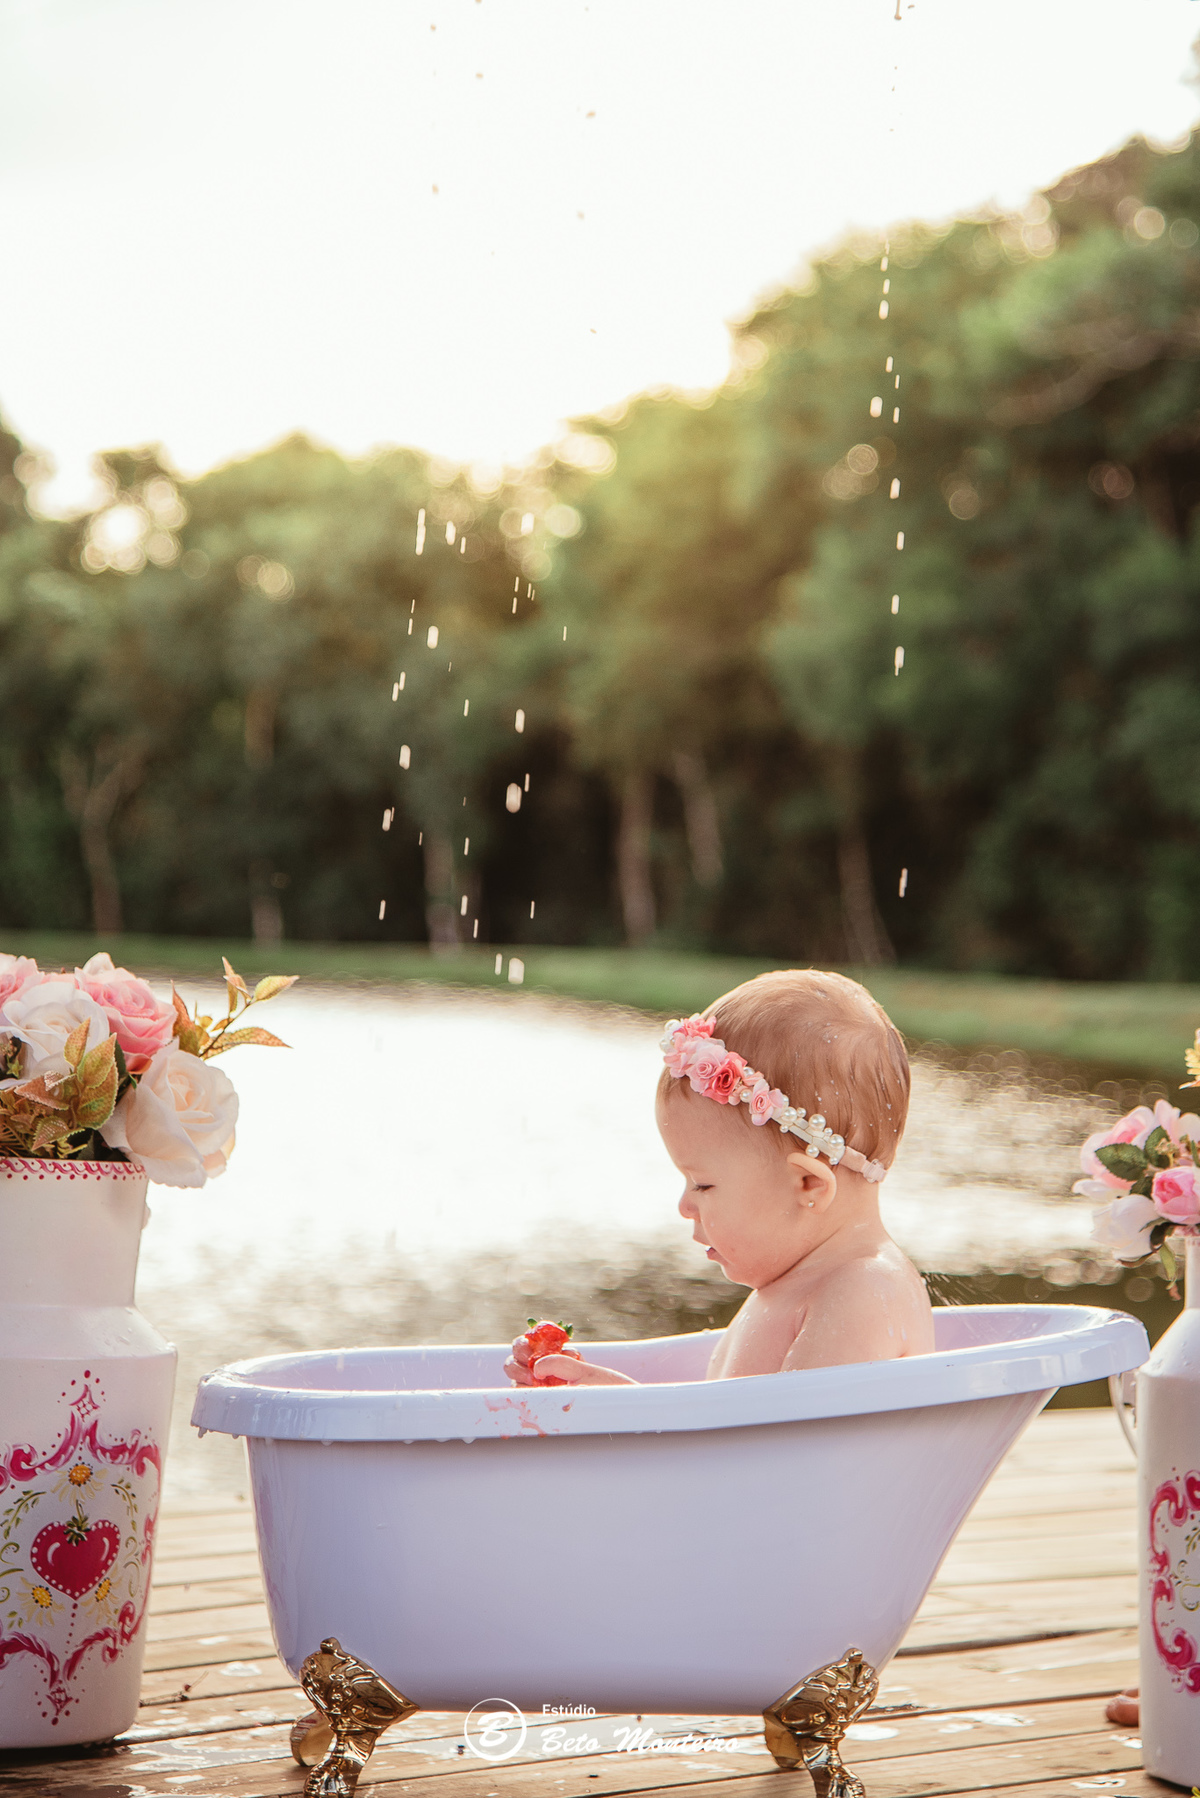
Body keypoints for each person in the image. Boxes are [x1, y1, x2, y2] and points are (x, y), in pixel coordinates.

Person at [506, 968, 934, 1388]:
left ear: (808, 1184)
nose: (684, 1206)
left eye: (703, 1185)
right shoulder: (796, 1285)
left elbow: (785, 1433)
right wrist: (587, 1386)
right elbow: (728, 1420)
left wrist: (620, 1406)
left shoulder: (862, 1291)